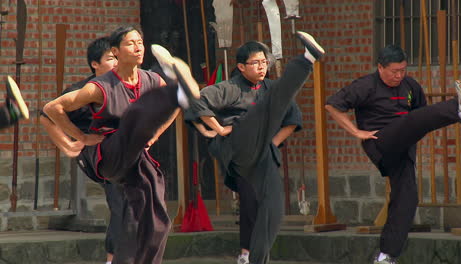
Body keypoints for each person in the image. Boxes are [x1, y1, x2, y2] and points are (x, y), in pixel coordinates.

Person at [43, 25, 200, 264]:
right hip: (109, 153)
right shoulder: (98, 87)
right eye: (130, 43)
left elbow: (169, 117)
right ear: (116, 51)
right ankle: (176, 91)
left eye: (140, 42)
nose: (138, 47)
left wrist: (156, 133)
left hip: (137, 155)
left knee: (155, 219)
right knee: (132, 121)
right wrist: (80, 138)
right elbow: (51, 109)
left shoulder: (150, 79)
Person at [179, 31, 325, 264]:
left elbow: (292, 120)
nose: (261, 67)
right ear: (241, 66)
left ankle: (255, 260)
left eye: (264, 62)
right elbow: (199, 102)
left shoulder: (272, 89)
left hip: (264, 154)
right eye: (255, 63)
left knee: (273, 213)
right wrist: (218, 128)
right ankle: (306, 60)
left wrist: (271, 143)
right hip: (237, 146)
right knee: (260, 112)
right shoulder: (229, 87)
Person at [325, 44, 461, 264]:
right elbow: (332, 105)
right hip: (380, 141)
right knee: (410, 120)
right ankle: (458, 109)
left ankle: (386, 255)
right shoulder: (365, 85)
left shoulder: (410, 85)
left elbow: (422, 116)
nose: (399, 75)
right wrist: (355, 131)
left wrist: (412, 138)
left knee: (408, 198)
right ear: (380, 68)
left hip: (404, 146)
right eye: (394, 71)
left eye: (403, 70)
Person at [40, 36, 121, 264]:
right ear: (95, 63)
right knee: (121, 197)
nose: (116, 63)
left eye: (118, 58)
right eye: (110, 58)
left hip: (122, 152)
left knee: (131, 203)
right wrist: (69, 144)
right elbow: (47, 116)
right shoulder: (80, 92)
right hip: (95, 154)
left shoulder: (126, 85)